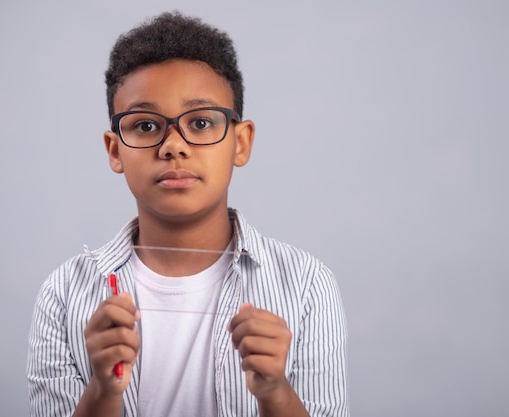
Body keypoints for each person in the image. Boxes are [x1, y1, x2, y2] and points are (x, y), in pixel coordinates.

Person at [27, 11, 349, 417]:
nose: (173, 146)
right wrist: (104, 391)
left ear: (241, 142)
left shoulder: (305, 286)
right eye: (145, 126)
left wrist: (275, 392)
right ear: (114, 150)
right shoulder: (65, 295)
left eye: (199, 122)